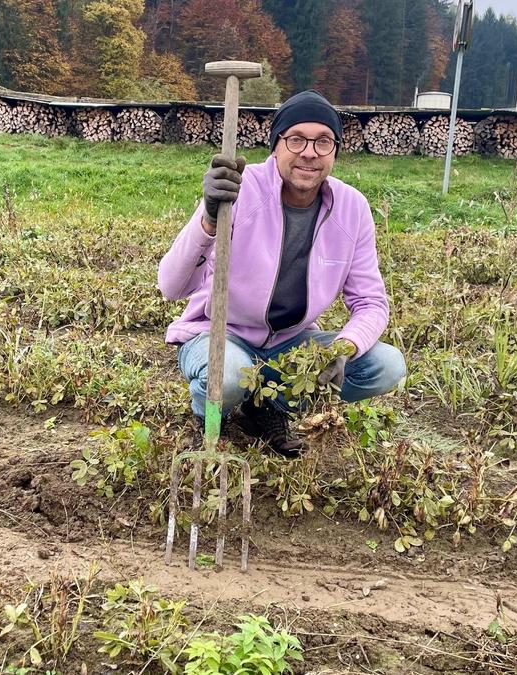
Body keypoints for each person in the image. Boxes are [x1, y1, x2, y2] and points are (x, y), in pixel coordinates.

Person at [158, 90, 406, 457]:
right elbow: (171, 285)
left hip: (288, 343)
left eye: (323, 141)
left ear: (335, 150)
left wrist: (344, 347)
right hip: (221, 334)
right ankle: (209, 416)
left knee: (385, 366)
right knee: (228, 376)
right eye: (296, 139)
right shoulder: (239, 191)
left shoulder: (352, 209)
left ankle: (268, 407)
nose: (309, 152)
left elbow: (370, 302)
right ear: (276, 145)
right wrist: (209, 218)